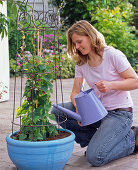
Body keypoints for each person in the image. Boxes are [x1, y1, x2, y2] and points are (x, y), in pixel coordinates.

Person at [51, 20, 138, 167]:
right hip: (97, 111)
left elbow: (135, 81)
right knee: (58, 111)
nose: (77, 47)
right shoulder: (81, 62)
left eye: (79, 42)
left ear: (90, 36)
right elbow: (75, 92)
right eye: (74, 44)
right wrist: (79, 110)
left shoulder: (112, 55)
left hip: (119, 114)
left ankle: (131, 138)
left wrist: (111, 85)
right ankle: (96, 143)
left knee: (95, 158)